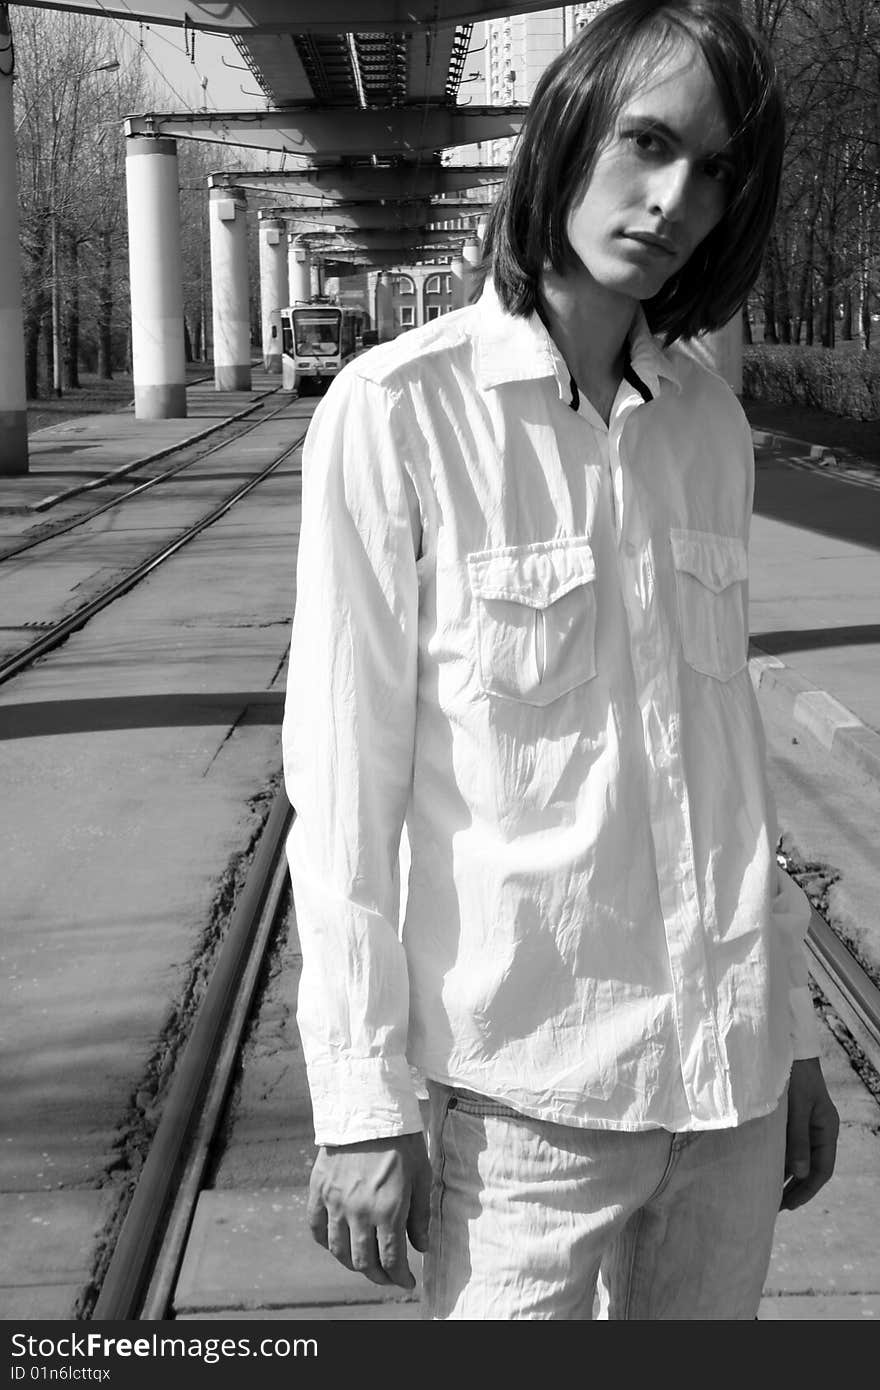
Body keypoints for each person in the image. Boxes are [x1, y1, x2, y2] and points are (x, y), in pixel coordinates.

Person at [282, 0, 839, 1320]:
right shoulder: (399, 414)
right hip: (530, 1111)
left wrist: (798, 1036)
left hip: (731, 1096)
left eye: (713, 172)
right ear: (568, 130)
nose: (674, 200)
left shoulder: (708, 423)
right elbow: (343, 788)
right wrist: (362, 1096)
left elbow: (727, 775)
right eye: (647, 142)